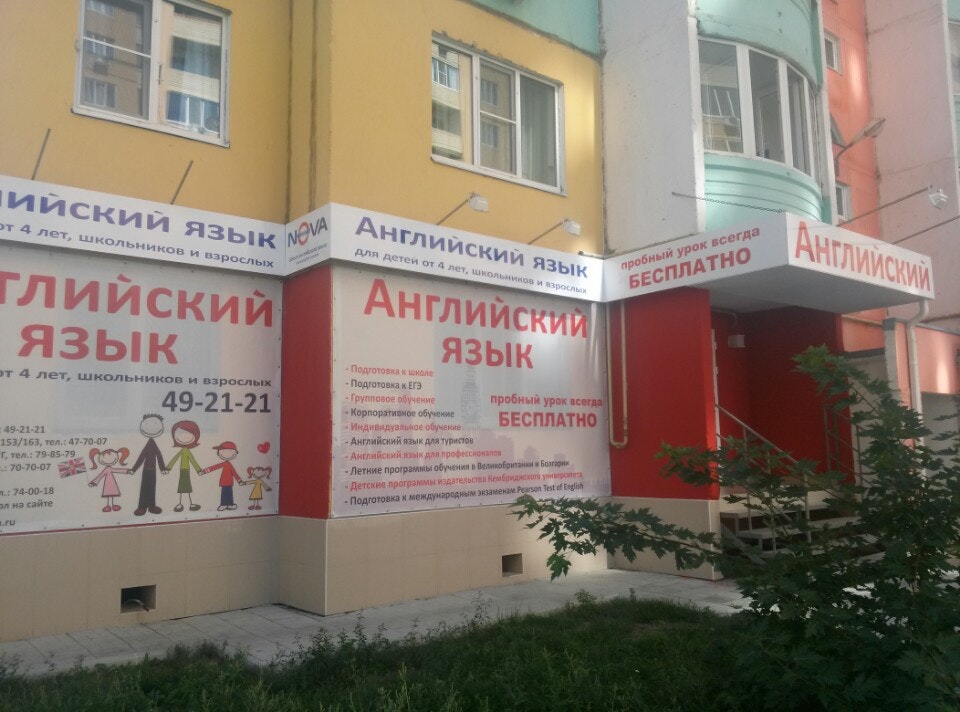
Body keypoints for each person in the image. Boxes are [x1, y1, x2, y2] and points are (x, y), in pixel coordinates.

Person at [131, 414, 167, 516]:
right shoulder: (148, 443)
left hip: (153, 470)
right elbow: (142, 457)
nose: (151, 427)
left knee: (151, 488)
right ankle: (142, 507)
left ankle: (151, 506)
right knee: (145, 488)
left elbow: (159, 456)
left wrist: (162, 468)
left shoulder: (152, 443)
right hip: (146, 470)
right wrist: (134, 469)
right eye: (147, 424)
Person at [165, 420, 203, 512]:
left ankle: (189, 504)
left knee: (186, 487)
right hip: (183, 471)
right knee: (183, 487)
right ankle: (181, 503)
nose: (183, 436)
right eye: (180, 433)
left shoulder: (186, 451)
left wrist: (198, 470)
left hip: (186, 471)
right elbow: (175, 459)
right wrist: (168, 468)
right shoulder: (183, 451)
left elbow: (193, 461)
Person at [201, 441, 243, 511]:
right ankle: (224, 504)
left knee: (228, 493)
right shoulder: (224, 464)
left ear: (234, 452)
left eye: (227, 451)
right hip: (224, 482)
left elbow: (234, 473)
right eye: (222, 451)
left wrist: (239, 481)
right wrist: (204, 471)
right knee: (225, 493)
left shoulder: (229, 464)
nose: (225, 454)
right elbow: (214, 467)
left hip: (229, 482)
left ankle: (229, 504)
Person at [88, 447, 131, 512]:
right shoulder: (106, 469)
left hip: (112, 484)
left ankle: (112, 505)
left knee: (112, 495)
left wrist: (127, 471)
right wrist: (93, 483)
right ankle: (108, 506)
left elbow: (118, 470)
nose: (109, 460)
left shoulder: (110, 469)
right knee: (109, 495)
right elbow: (100, 476)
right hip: (107, 485)